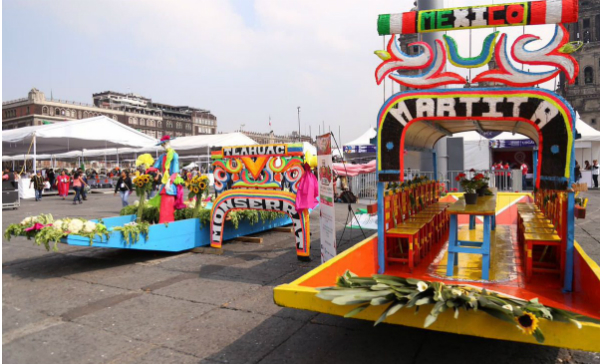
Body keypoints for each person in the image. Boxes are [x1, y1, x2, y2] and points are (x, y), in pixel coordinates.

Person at [153, 135, 180, 223]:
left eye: (166, 143)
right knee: (163, 207)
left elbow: (175, 171)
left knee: (169, 206)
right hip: (165, 184)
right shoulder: (162, 157)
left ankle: (169, 224)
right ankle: (163, 224)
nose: (164, 146)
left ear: (169, 142)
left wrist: (170, 181)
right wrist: (147, 169)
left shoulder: (174, 155)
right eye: (163, 145)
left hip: (170, 185)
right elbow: (155, 167)